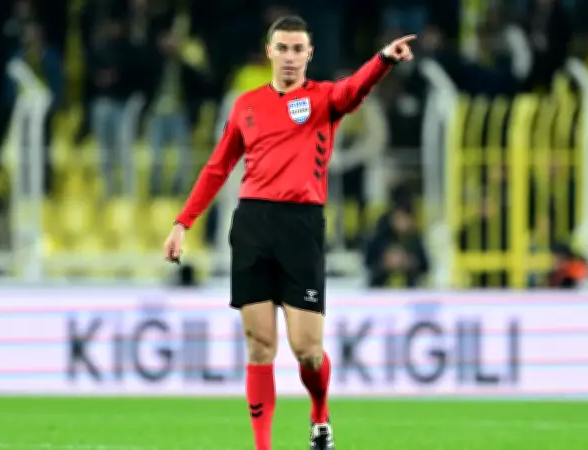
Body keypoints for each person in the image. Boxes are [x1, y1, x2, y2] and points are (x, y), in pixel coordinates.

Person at [162, 16, 415, 450]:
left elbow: (355, 88)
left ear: (309, 55)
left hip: (301, 227)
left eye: (298, 49)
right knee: (260, 345)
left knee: (307, 352)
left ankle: (319, 413)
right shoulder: (246, 105)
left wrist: (383, 60)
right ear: (269, 52)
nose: (290, 57)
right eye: (283, 48)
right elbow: (218, 167)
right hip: (252, 225)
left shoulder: (324, 98)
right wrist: (182, 223)